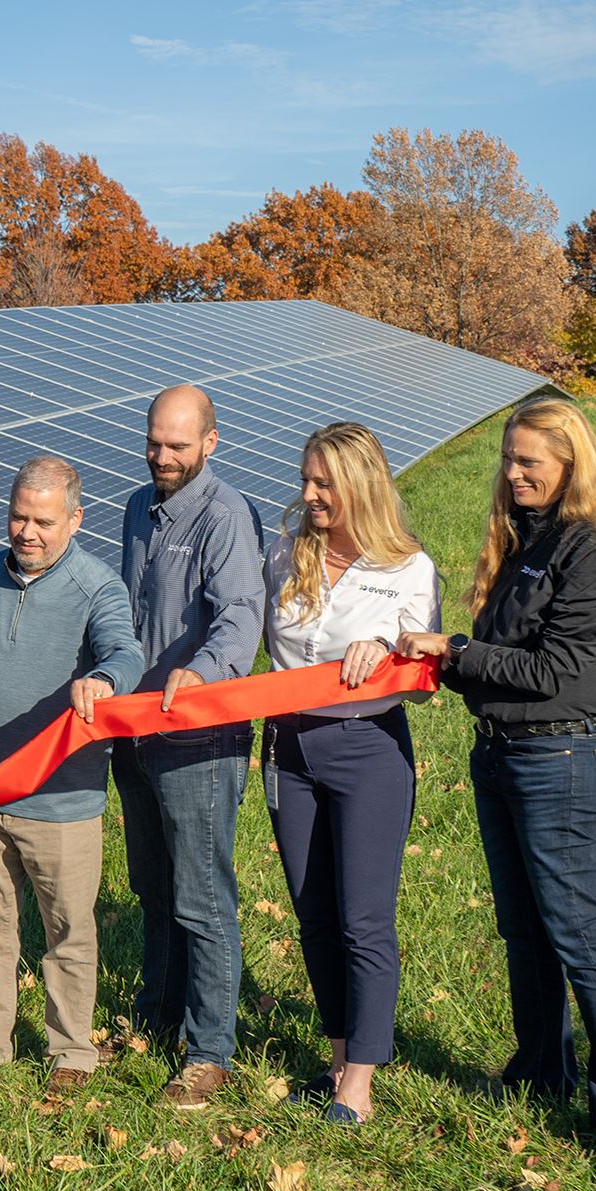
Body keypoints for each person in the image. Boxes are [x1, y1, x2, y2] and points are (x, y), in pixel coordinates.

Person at [396, 397, 596, 1177]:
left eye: (530, 463)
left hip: (558, 761)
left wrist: (453, 650)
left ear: (571, 465)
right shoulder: (529, 542)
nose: (514, 475)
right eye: (509, 460)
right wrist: (444, 661)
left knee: (581, 937)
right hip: (504, 755)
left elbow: (556, 675)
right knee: (525, 929)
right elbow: (504, 665)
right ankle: (542, 1069)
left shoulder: (594, 553)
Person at [0, 456, 143, 1094]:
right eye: (18, 517)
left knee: (68, 933)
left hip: (63, 798)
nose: (27, 532)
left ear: (76, 520)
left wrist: (105, 679)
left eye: (43, 521)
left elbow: (125, 650)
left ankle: (71, 1053)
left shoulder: (97, 587)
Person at [260, 423, 438, 1126]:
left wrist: (387, 650)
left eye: (322, 483)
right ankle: (336, 1054)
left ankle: (359, 1082)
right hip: (287, 748)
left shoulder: (408, 568)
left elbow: (425, 679)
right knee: (313, 915)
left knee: (364, 918)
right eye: (306, 479)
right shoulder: (284, 552)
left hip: (366, 748)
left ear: (359, 485)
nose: (308, 494)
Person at [114, 383, 264, 1110]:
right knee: (154, 887)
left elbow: (239, 616)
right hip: (135, 728)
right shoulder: (137, 509)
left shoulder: (225, 515)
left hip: (198, 733)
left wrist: (201, 672)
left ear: (211, 441)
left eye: (178, 445)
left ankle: (210, 1051)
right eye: (154, 442)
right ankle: (157, 1014)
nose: (163, 456)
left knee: (202, 896)